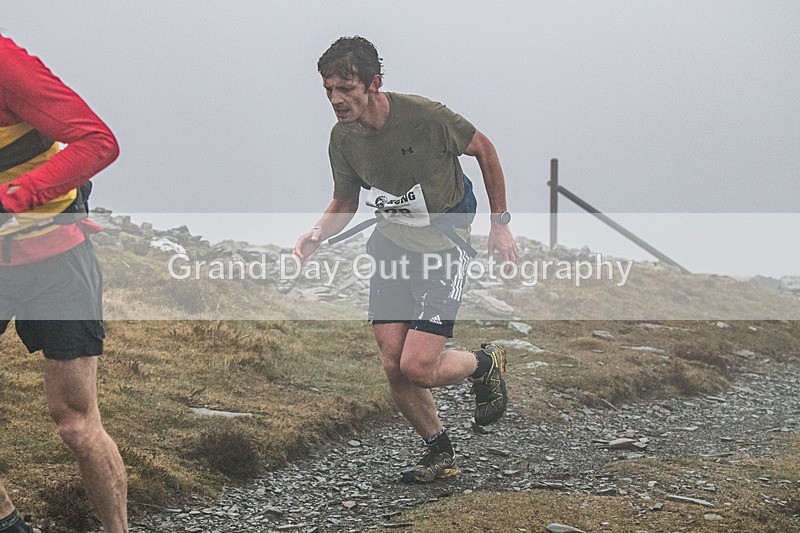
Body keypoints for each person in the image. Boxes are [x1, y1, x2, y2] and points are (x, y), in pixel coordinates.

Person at [294, 36, 519, 483]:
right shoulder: (342, 139)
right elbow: (343, 200)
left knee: (418, 366)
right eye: (328, 91)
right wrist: (317, 233)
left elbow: (485, 151)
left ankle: (484, 363)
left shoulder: (427, 117)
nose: (336, 100)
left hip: (444, 247)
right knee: (392, 362)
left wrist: (500, 222)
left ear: (374, 83)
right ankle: (439, 450)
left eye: (346, 89)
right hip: (392, 247)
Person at [0, 34, 127, 532]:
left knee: (74, 421)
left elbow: (99, 141)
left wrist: (18, 195)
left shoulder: (7, 65)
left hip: (54, 256)